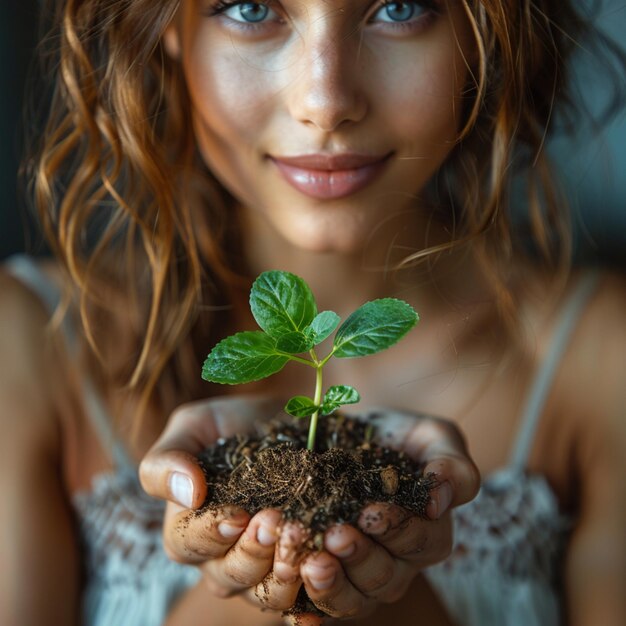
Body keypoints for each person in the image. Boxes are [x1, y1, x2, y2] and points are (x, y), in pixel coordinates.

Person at [0, 1, 624, 626]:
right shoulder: (27, 344)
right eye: (249, 9)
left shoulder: (602, 358)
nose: (325, 101)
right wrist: (265, 594)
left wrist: (371, 590)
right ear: (165, 24)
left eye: (400, 8)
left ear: (484, 31)